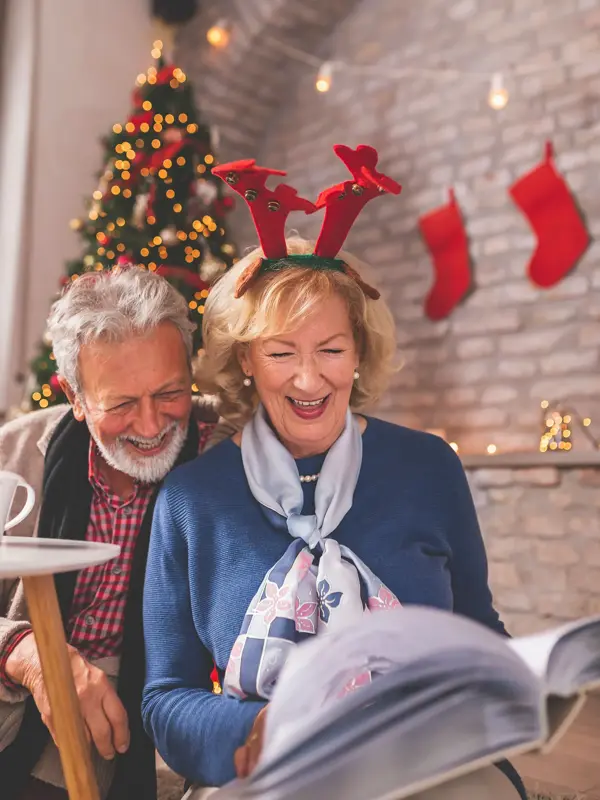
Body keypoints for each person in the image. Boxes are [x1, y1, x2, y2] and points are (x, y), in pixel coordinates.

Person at [142, 145, 527, 799]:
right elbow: (167, 698)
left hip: (426, 761)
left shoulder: (429, 467)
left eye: (330, 349)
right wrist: (257, 728)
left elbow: (478, 631)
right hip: (263, 768)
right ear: (245, 361)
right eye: (280, 353)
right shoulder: (191, 499)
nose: (308, 378)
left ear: (358, 353)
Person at [0, 266, 231, 800]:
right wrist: (31, 655)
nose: (150, 426)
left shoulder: (233, 457)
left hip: (155, 736)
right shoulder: (13, 456)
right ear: (75, 397)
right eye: (121, 404)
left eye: (170, 393)